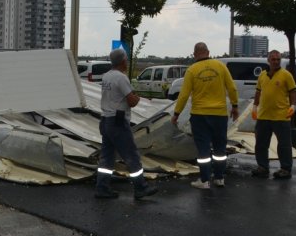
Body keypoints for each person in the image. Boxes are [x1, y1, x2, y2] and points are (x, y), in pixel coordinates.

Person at [171, 42, 239, 189]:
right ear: (208, 52)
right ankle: (219, 178)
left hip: (200, 116)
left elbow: (183, 95)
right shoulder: (221, 66)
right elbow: (232, 88)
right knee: (220, 148)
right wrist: (235, 106)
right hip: (220, 115)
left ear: (195, 54)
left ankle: (204, 180)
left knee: (203, 148)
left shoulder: (192, 70)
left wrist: (176, 114)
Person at [95, 48, 158, 201]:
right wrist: (137, 98)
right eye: (126, 60)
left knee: (107, 157)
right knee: (131, 155)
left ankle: (102, 188)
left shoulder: (106, 76)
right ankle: (140, 187)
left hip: (105, 120)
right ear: (123, 61)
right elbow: (131, 101)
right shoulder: (121, 78)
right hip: (118, 122)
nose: (127, 62)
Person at [251, 50, 296, 179]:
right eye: (273, 59)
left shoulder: (286, 75)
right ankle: (262, 167)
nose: (276, 62)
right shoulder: (262, 75)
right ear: (268, 60)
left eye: (278, 59)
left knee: (284, 145)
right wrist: (255, 106)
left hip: (281, 116)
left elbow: (293, 92)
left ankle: (285, 169)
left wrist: (293, 105)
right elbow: (258, 92)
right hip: (263, 116)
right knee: (261, 144)